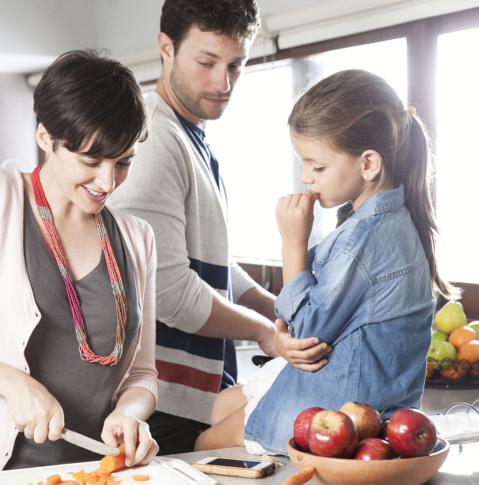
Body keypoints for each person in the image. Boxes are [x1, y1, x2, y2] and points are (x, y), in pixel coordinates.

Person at [0, 50, 159, 485]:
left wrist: (130, 413)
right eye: (90, 161)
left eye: (123, 162)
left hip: (83, 473)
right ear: (46, 138)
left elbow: (142, 375)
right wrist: (12, 383)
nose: (108, 183)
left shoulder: (137, 238)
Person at [195, 69, 460, 454]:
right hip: (340, 383)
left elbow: (308, 328)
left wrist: (292, 244)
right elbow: (315, 311)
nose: (306, 177)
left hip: (342, 405)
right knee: (221, 404)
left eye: (317, 166)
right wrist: (284, 336)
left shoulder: (363, 240)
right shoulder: (370, 221)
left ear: (368, 164)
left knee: (206, 443)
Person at [108, 0, 329, 455]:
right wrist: (266, 332)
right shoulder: (153, 140)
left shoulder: (188, 133)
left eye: (236, 65)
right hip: (161, 402)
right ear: (166, 48)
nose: (222, 83)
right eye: (206, 62)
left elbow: (211, 262)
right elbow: (168, 289)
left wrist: (278, 311)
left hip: (192, 396)